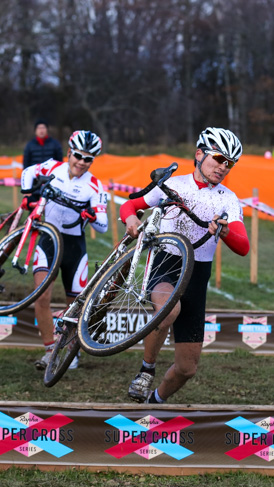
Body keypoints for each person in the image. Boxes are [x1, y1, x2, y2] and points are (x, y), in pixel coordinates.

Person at [120, 127, 250, 403]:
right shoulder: (174, 184)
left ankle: (154, 402)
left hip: (197, 275)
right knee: (169, 309)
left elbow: (243, 247)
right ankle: (146, 371)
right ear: (200, 154)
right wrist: (131, 219)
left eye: (230, 163)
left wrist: (225, 232)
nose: (223, 167)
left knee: (187, 369)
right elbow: (130, 205)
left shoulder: (227, 199)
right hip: (167, 263)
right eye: (218, 158)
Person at [20, 130, 108, 370]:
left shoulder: (95, 186)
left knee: (75, 307)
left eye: (88, 159)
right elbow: (28, 172)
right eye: (78, 155)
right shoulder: (52, 167)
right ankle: (50, 349)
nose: (81, 161)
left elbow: (103, 225)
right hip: (48, 240)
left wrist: (92, 215)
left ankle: (69, 350)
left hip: (74, 247)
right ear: (69, 152)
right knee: (42, 296)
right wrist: (28, 195)